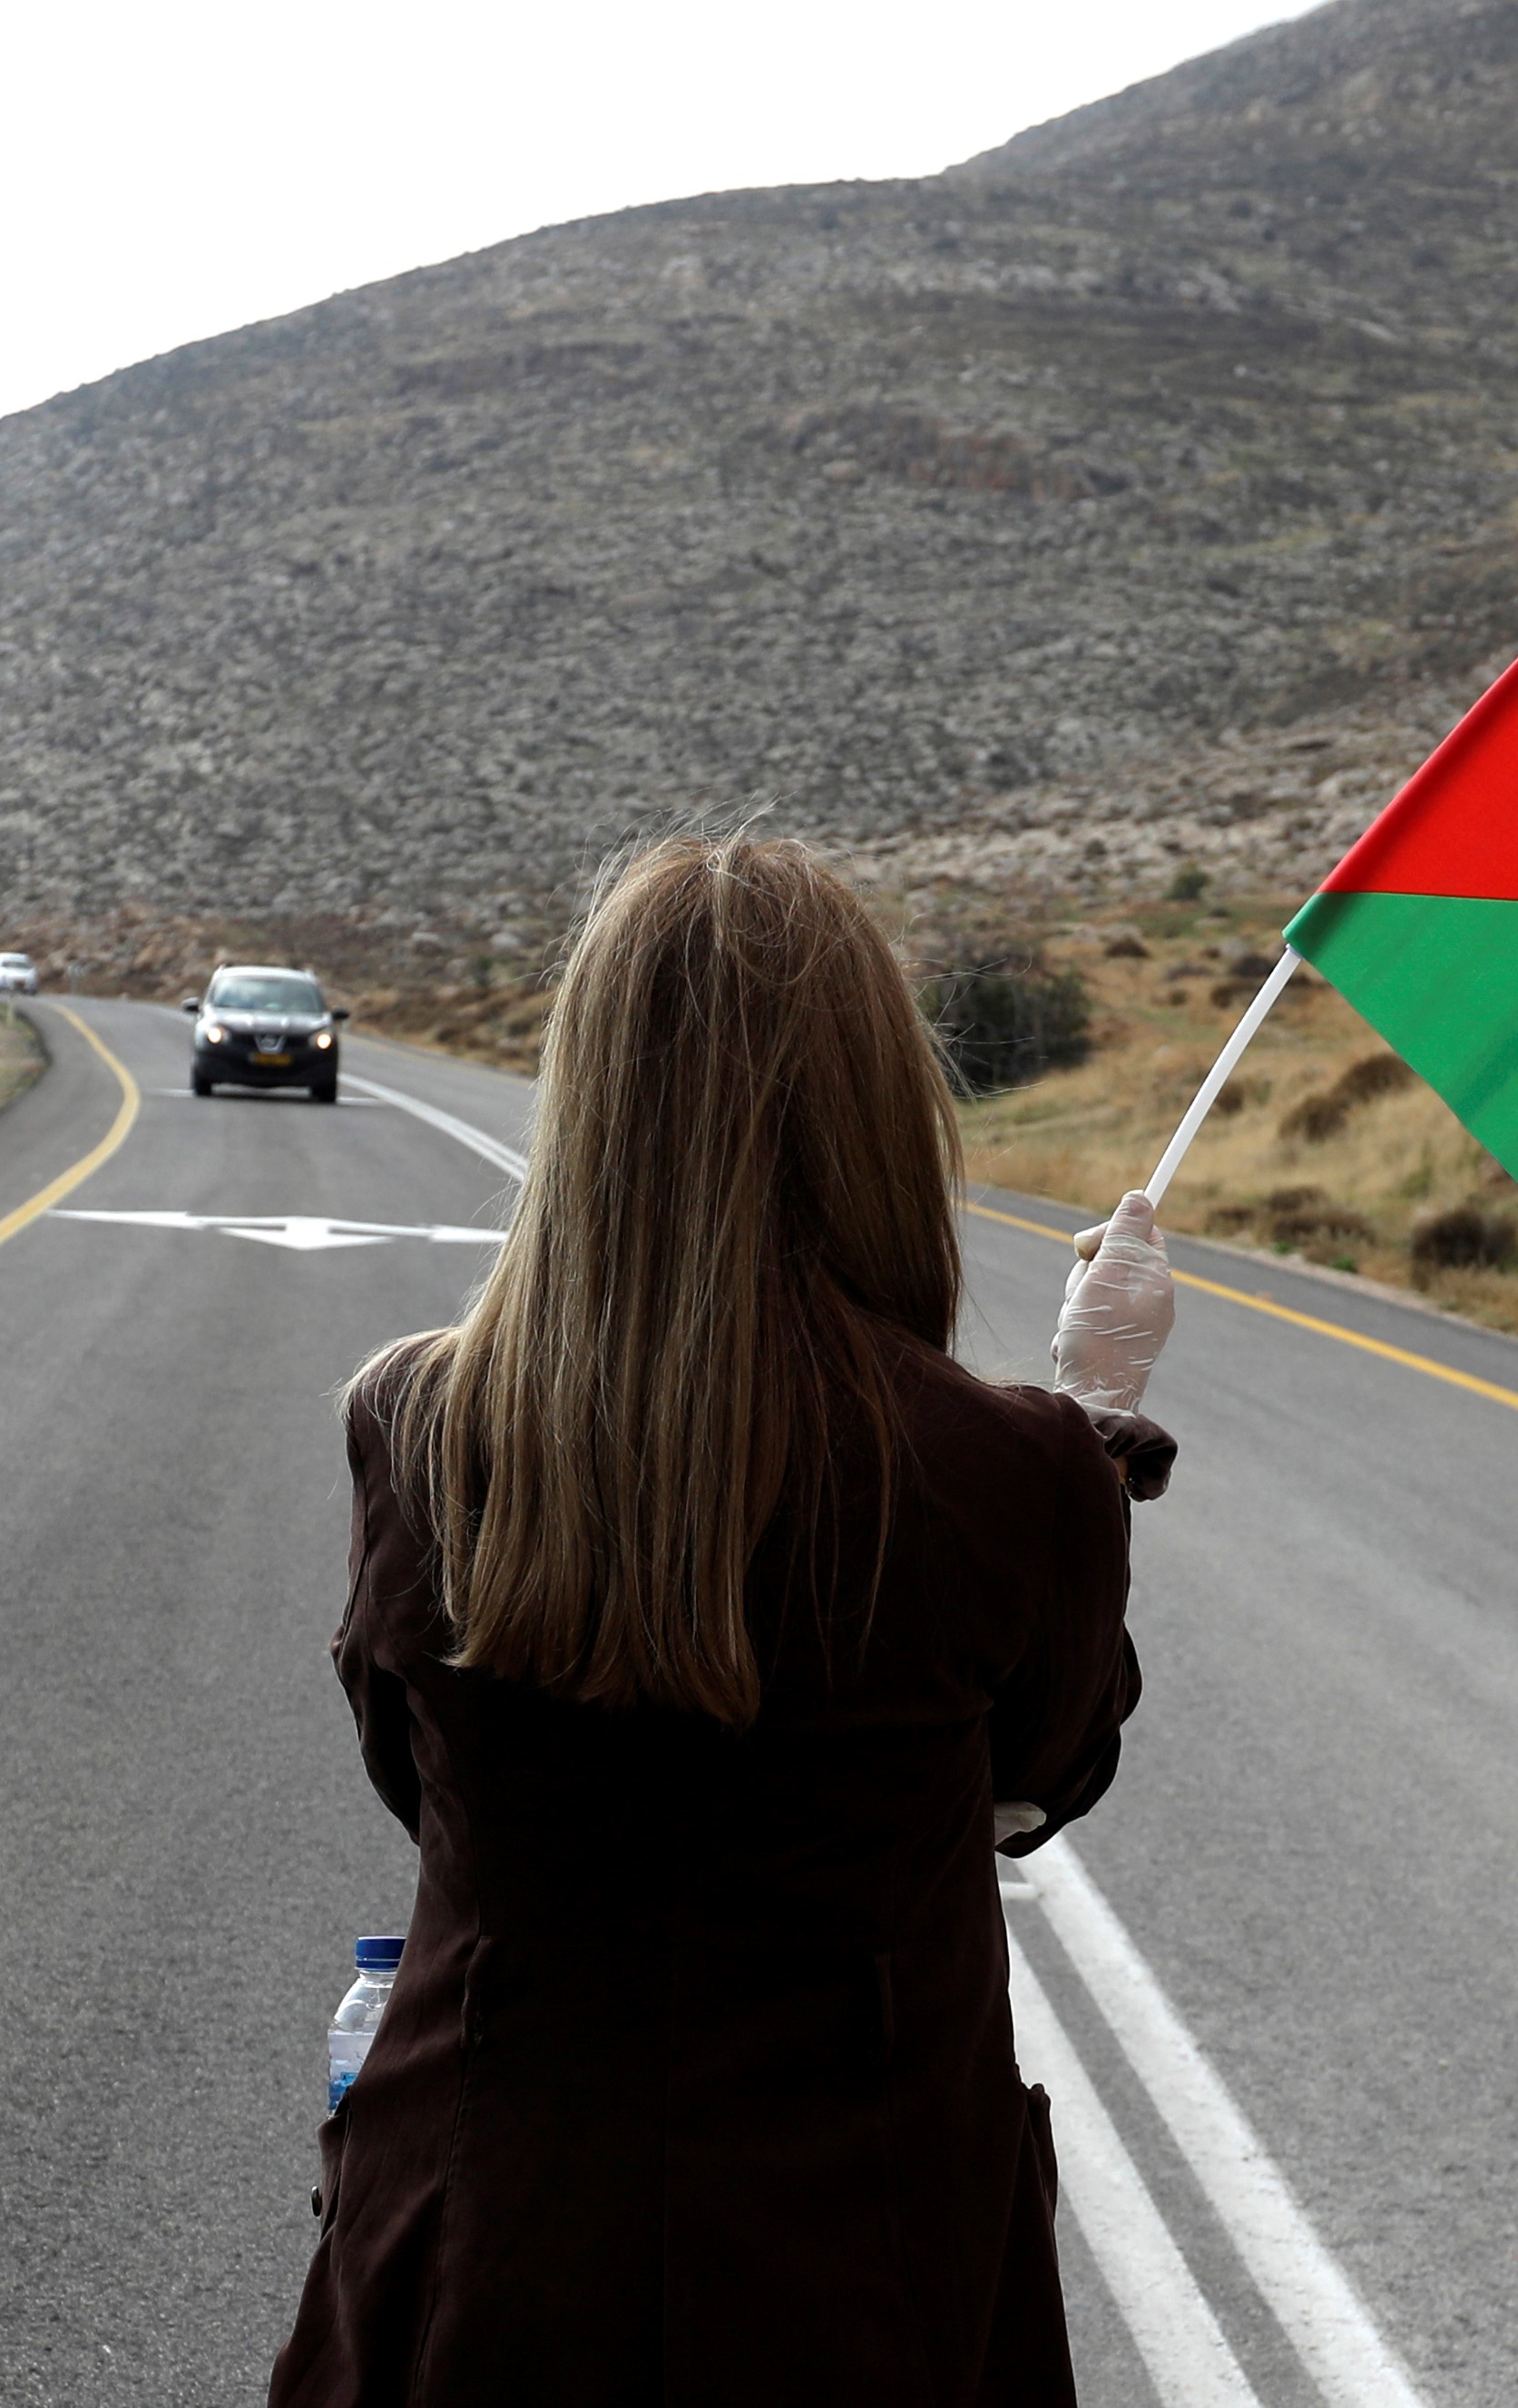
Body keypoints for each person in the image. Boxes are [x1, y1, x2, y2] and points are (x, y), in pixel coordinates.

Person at [271, 835, 1180, 2407]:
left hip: (483, 2257)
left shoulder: (414, 1425)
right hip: (866, 2281)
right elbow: (1044, 1768)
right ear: (881, 1115)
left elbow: (421, 1788)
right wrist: (1093, 1414)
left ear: (589, 1106)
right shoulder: (1010, 1470)